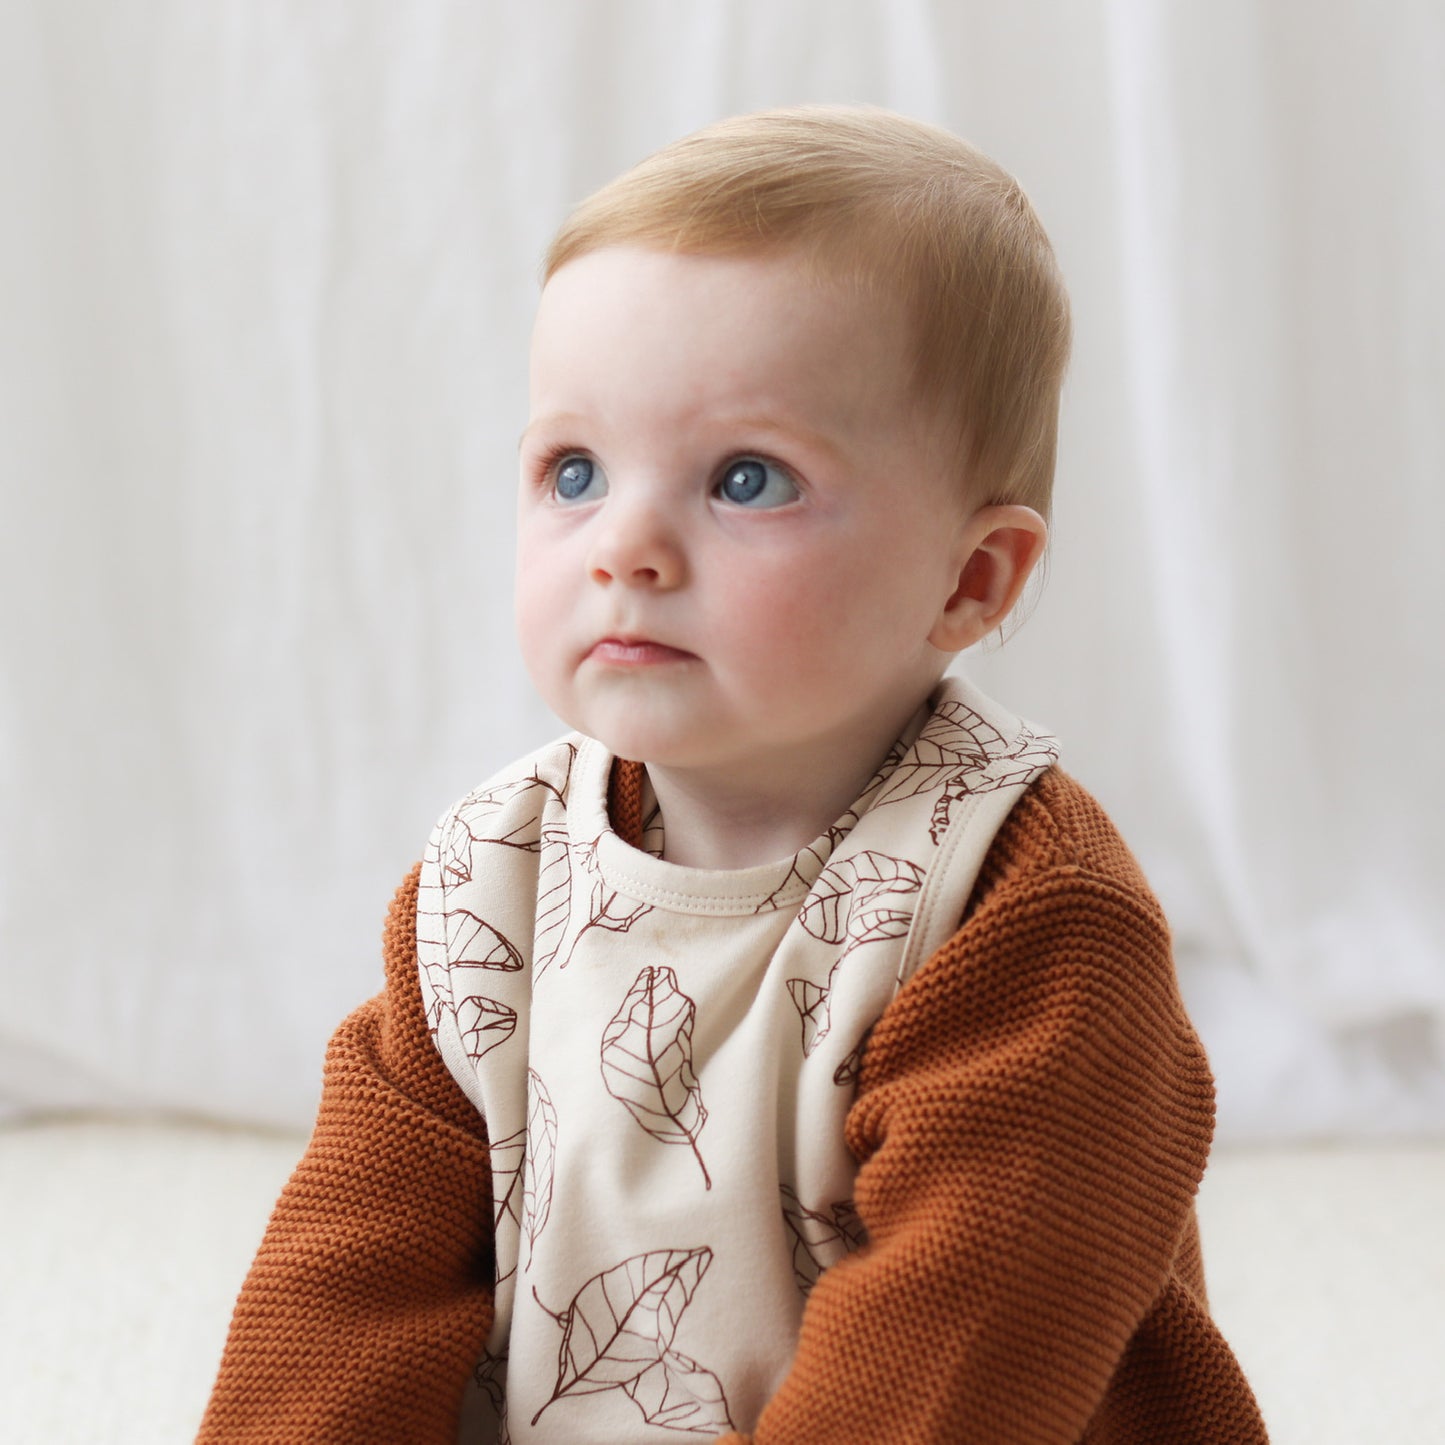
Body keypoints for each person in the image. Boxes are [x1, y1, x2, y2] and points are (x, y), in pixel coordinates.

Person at [199, 105, 1268, 1443]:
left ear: (968, 577)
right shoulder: (493, 879)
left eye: (747, 479)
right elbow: (352, 1275)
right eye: (573, 470)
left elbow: (952, 1355)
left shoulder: (1021, 921)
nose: (624, 546)